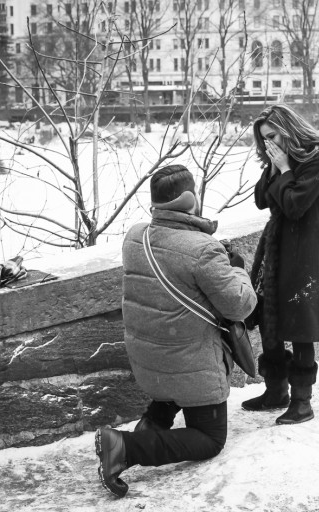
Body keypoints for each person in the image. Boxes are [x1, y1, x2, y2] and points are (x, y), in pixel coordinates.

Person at [96, 164, 257, 498]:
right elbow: (240, 305)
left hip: (151, 361)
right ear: (189, 199)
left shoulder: (135, 236)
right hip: (191, 363)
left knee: (169, 394)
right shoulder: (203, 250)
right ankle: (124, 447)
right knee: (211, 439)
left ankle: (144, 435)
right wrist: (238, 269)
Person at [241, 104, 319, 425]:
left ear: (287, 130)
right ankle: (276, 391)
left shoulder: (318, 160)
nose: (267, 144)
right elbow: (260, 200)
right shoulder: (279, 162)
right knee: (269, 319)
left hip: (306, 255)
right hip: (276, 252)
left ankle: (302, 402)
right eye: (262, 140)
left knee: (300, 327)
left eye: (272, 136)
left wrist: (284, 170)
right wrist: (273, 168)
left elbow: (296, 206)